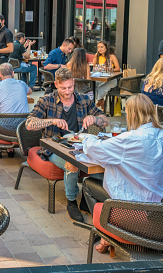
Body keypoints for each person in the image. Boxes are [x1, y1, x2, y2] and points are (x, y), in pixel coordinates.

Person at [80, 94, 163, 253]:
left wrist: (86, 138)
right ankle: (107, 234)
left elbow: (96, 149)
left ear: (133, 114)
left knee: (88, 185)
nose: (126, 117)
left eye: (127, 113)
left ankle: (107, 233)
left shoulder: (132, 138)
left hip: (139, 209)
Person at [26, 67, 108, 222]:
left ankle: (89, 199)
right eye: (63, 88)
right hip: (54, 148)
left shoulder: (83, 99)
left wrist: (94, 119)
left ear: (74, 83)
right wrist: (52, 121)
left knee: (101, 160)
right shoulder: (47, 100)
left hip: (80, 145)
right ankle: (71, 202)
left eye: (70, 87)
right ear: (56, 84)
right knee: (72, 163)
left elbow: (105, 120)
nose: (67, 91)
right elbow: (29, 124)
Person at [0, 63, 32, 158]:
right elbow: (30, 92)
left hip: (6, 127)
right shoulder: (22, 84)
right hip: (22, 126)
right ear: (13, 73)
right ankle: (9, 150)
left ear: (0, 75)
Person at [93, 40, 120, 109]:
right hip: (100, 78)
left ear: (106, 47)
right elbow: (93, 67)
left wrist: (109, 69)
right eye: (98, 47)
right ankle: (101, 101)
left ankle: (99, 102)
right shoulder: (97, 56)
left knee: (101, 88)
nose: (100, 49)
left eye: (102, 47)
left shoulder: (112, 57)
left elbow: (118, 69)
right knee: (92, 86)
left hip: (111, 79)